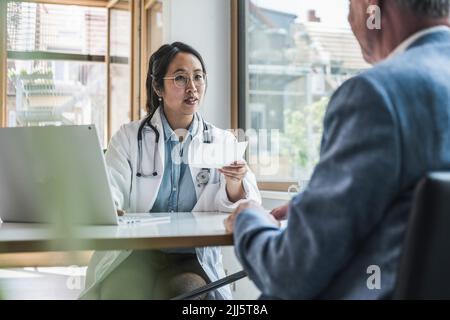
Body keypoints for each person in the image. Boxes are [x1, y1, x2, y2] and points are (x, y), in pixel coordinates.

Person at [225, 0, 450, 299]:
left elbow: (288, 272)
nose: (348, 17)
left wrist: (247, 217)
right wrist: (322, 205)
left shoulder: (376, 93)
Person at [80, 42, 261, 300]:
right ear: (158, 87)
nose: (192, 87)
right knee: (120, 293)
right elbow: (111, 187)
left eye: (198, 77)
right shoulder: (129, 137)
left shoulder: (222, 141)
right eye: (180, 78)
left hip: (190, 257)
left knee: (185, 293)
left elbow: (250, 203)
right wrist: (110, 206)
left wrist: (234, 183)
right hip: (135, 254)